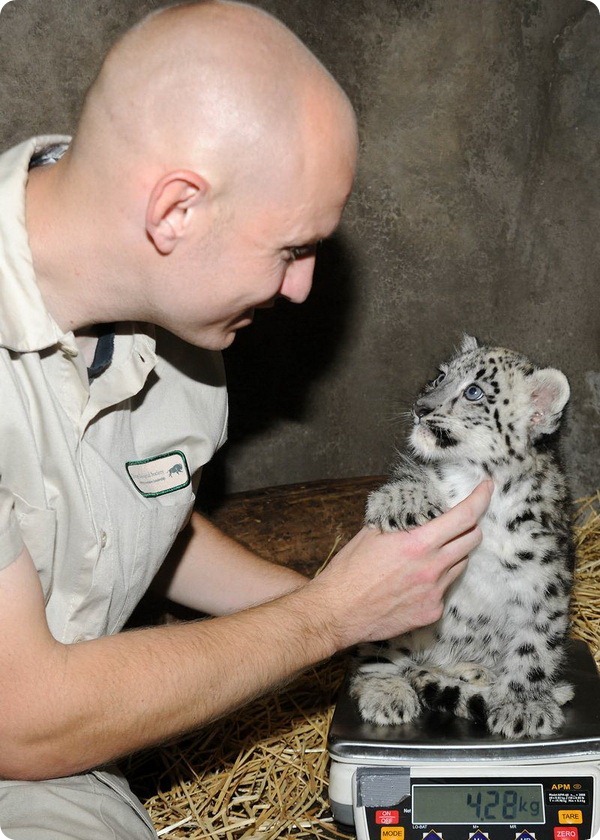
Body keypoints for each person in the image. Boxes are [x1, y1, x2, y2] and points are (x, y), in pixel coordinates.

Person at [0, 2, 492, 837]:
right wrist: (327, 615)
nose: (301, 287)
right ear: (176, 211)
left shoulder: (176, 322)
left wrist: (366, 623)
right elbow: (21, 718)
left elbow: (139, 519)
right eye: (291, 249)